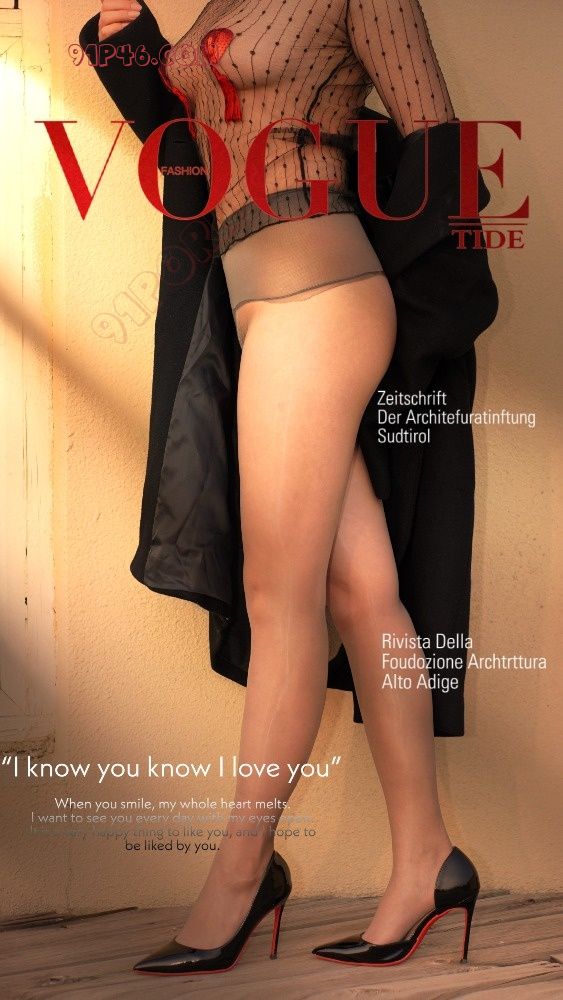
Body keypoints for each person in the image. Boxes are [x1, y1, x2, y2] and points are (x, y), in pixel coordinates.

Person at [89, 0, 483, 975]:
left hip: (320, 298)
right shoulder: (224, 2)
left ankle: (240, 874)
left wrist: (409, 318)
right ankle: (427, 860)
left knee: (278, 597)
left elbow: (436, 141)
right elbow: (183, 140)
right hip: (257, 309)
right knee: (361, 591)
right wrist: (120, 27)